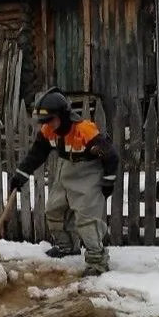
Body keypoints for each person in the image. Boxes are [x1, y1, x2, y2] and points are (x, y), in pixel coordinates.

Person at [8, 88, 119, 277]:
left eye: (50, 120)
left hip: (88, 172)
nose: (47, 125)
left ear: (62, 115)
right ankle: (67, 247)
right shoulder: (49, 131)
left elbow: (111, 156)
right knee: (54, 209)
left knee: (86, 219)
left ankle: (97, 261)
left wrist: (108, 181)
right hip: (66, 169)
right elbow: (37, 154)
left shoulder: (84, 130)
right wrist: (21, 174)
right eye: (44, 121)